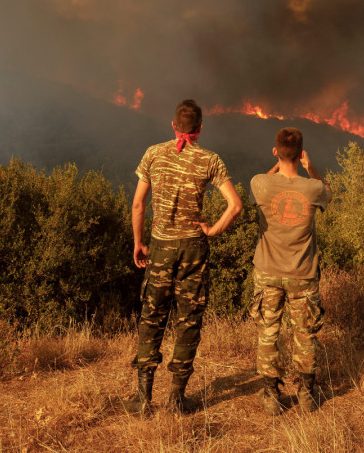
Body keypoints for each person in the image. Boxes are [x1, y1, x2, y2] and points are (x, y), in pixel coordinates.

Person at [123, 99, 243, 417]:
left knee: (152, 320)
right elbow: (235, 205)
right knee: (188, 322)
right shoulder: (210, 160)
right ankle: (177, 399)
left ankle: (142, 399)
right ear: (200, 129)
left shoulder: (153, 153)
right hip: (193, 247)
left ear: (173, 127)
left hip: (161, 246)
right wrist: (213, 229)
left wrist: (139, 242)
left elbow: (137, 205)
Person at [248, 127, 331, 415]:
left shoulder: (260, 183)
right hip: (303, 274)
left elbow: (268, 178)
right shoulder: (313, 188)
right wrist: (310, 167)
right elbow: (328, 192)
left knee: (267, 333)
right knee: (305, 334)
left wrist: (279, 164)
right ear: (301, 153)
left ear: (275, 151)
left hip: (267, 271)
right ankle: (306, 394)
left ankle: (271, 395)